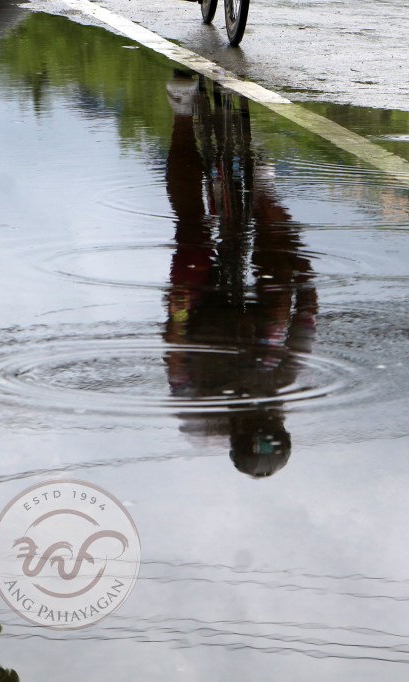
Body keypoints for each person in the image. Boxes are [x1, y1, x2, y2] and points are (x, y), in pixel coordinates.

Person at [163, 72, 317, 476]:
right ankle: (264, 195)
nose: (257, 410)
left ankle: (182, 113)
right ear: (279, 421)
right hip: (254, 330)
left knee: (192, 232)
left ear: (235, 430)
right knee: (284, 293)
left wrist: (178, 311)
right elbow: (305, 321)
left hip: (199, 323)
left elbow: (176, 354)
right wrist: (297, 264)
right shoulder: (282, 384)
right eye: (267, 418)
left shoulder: (200, 410)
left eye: (252, 421)